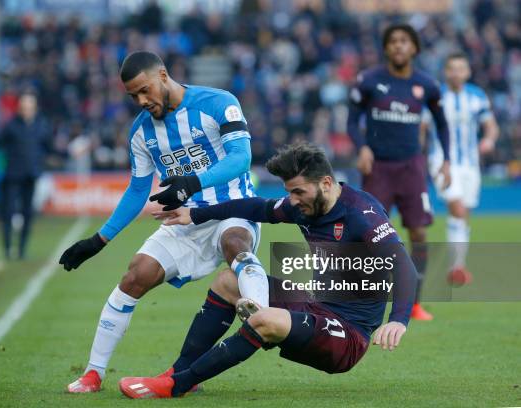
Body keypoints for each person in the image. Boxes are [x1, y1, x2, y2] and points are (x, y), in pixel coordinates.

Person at [118, 144, 418, 398]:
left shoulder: (362, 215)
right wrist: (195, 214)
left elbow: (403, 265)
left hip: (349, 335)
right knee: (229, 281)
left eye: (298, 192)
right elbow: (256, 208)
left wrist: (399, 321)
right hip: (316, 306)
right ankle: (181, 371)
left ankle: (174, 386)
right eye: (290, 193)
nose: (293, 200)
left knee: (264, 320)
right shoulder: (304, 206)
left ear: (326, 183)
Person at [59, 51, 269, 393]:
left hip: (232, 209)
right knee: (135, 275)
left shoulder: (218, 103)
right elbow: (138, 189)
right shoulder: (141, 132)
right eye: (133, 96)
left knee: (234, 243)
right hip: (183, 221)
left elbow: (241, 158)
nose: (142, 101)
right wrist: (99, 240)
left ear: (163, 74)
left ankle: (261, 311)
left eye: (145, 90)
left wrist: (193, 182)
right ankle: (93, 374)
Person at [347, 24, 450, 321]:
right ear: (386, 48)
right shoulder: (368, 81)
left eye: (404, 41)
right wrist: (362, 147)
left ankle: (414, 302)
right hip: (377, 168)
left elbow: (442, 124)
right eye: (393, 41)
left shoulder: (427, 85)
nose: (398, 46)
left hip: (411, 167)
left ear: (414, 47)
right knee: (369, 234)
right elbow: (352, 122)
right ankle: (364, 300)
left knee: (418, 232)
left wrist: (446, 160)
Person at [422, 52, 499, 285]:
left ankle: (458, 266)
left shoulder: (477, 96)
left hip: (470, 164)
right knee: (457, 208)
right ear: (446, 72)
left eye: (461, 68)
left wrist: (489, 139)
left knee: (464, 214)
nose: (456, 73)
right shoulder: (435, 97)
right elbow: (422, 128)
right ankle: (457, 268)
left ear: (467, 72)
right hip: (442, 161)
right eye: (452, 68)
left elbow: (490, 125)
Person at [0, 91, 53, 260]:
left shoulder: (41, 125)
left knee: (28, 214)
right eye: (24, 107)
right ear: (19, 108)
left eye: (30, 107)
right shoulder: (10, 125)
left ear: (35, 108)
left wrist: (68, 152)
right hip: (12, 176)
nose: (26, 110)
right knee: (9, 212)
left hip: (31, 176)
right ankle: (7, 249)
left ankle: (22, 250)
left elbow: (49, 148)